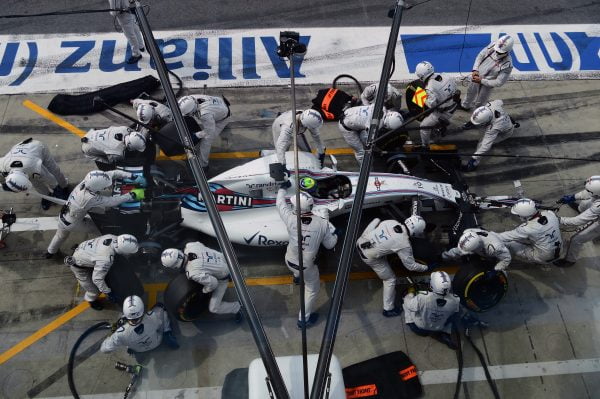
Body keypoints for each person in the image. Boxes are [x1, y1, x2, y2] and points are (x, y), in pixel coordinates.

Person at [276, 182, 338, 328]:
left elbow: (279, 203)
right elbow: (330, 245)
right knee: (312, 289)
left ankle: (297, 279)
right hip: (306, 266)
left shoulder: (289, 217)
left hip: (289, 260)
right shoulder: (322, 223)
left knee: (297, 270)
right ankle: (303, 319)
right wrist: (334, 233)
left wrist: (282, 188)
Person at [46, 170, 144, 258]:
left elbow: (112, 173)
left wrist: (131, 176)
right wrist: (131, 195)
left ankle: (50, 252)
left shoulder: (87, 181)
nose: (107, 186)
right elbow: (111, 202)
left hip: (63, 215)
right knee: (99, 229)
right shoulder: (89, 198)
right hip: (73, 222)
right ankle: (105, 250)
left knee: (60, 235)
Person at [356, 216, 430, 317]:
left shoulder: (391, 222)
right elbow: (411, 266)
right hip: (369, 258)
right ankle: (388, 309)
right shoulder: (404, 243)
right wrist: (425, 267)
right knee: (390, 279)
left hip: (360, 241)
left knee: (377, 220)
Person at [160, 242, 242, 320]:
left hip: (225, 276)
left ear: (175, 266)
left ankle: (238, 307)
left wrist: (204, 291)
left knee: (214, 308)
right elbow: (200, 244)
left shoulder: (193, 273)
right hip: (226, 259)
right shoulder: (190, 246)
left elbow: (214, 283)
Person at [64, 234, 139, 310]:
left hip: (85, 251)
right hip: (79, 266)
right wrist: (108, 293)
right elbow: (97, 279)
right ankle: (91, 301)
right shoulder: (106, 259)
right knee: (94, 291)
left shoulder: (112, 237)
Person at [0, 138, 69, 210]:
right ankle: (47, 196)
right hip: (19, 149)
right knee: (35, 182)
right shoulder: (3, 165)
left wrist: (56, 188)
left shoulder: (34, 167)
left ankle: (63, 186)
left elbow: (49, 177)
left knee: (54, 170)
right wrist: (3, 183)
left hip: (37, 147)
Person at [101, 295, 179, 354]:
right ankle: (167, 332)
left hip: (138, 350)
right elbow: (159, 321)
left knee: (125, 341)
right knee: (160, 307)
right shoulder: (153, 316)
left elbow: (104, 349)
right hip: (157, 342)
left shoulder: (119, 334)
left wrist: (112, 334)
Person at [403, 271, 460, 349]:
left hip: (420, 328)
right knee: (452, 316)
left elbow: (410, 306)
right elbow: (455, 313)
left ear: (432, 285)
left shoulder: (422, 297)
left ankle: (410, 322)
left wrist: (410, 295)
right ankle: (445, 335)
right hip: (439, 328)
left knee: (407, 304)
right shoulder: (455, 300)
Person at [499, 198, 562, 264]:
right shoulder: (550, 214)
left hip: (543, 258)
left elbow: (505, 237)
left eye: (518, 215)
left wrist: (490, 236)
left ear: (523, 215)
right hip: (559, 251)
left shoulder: (526, 228)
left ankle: (535, 260)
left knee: (510, 242)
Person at [460, 35, 514, 111]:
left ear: (508, 51)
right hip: (477, 75)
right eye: (497, 50)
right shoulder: (493, 45)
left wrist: (482, 81)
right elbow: (480, 55)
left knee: (480, 102)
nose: (497, 52)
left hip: (487, 84)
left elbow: (499, 82)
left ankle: (478, 116)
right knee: (470, 92)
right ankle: (465, 106)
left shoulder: (507, 65)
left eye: (500, 52)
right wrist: (475, 69)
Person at [556, 176, 600, 266]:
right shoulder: (597, 191)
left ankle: (570, 260)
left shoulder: (598, 206)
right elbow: (589, 193)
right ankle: (581, 209)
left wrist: (558, 220)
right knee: (585, 203)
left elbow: (577, 221)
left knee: (576, 239)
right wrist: (573, 197)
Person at [178, 95, 231, 169]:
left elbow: (209, 132)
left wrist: (196, 135)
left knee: (206, 141)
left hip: (222, 118)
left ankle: (203, 165)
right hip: (219, 104)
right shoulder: (191, 98)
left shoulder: (204, 115)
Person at [461, 100, 517, 171]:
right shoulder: (492, 105)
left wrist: (474, 158)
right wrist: (472, 122)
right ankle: (511, 121)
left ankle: (474, 164)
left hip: (505, 133)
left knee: (481, 143)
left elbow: (485, 146)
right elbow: (500, 101)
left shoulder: (494, 128)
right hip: (504, 119)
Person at [338, 105, 403, 164]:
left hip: (350, 114)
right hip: (346, 127)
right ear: (387, 125)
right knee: (361, 152)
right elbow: (366, 140)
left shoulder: (382, 107)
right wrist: (376, 149)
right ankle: (368, 173)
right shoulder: (375, 125)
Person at [414, 61, 459, 148]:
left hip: (444, 112)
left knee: (423, 127)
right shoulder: (445, 75)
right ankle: (441, 125)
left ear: (421, 75)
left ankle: (425, 145)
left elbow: (432, 105)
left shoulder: (430, 88)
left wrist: (422, 97)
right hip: (454, 105)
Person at [442, 227, 512, 271]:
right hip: (480, 248)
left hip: (492, 249)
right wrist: (444, 256)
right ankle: (444, 256)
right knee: (458, 252)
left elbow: (507, 258)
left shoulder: (495, 248)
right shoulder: (468, 232)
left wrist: (496, 269)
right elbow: (458, 251)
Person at [81, 126, 146, 165]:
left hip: (91, 133)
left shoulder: (125, 129)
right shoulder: (118, 152)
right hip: (87, 147)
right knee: (109, 163)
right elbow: (111, 160)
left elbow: (111, 127)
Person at [108, 0, 144, 64]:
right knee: (135, 28)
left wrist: (111, 12)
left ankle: (136, 54)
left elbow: (115, 12)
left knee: (130, 35)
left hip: (124, 16)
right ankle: (140, 46)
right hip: (130, 11)